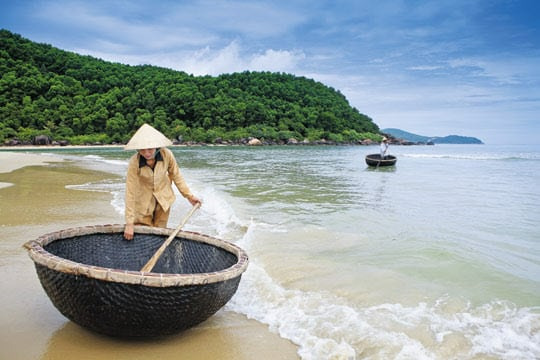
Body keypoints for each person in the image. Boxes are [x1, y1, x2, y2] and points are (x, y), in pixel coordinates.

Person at [123, 123, 201, 240]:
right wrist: (129, 223)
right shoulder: (134, 162)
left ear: (157, 146)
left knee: (159, 234)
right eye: (142, 150)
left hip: (163, 199)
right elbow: (130, 191)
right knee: (143, 234)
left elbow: (176, 175)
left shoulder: (167, 155)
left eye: (150, 149)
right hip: (143, 202)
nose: (147, 153)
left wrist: (189, 196)